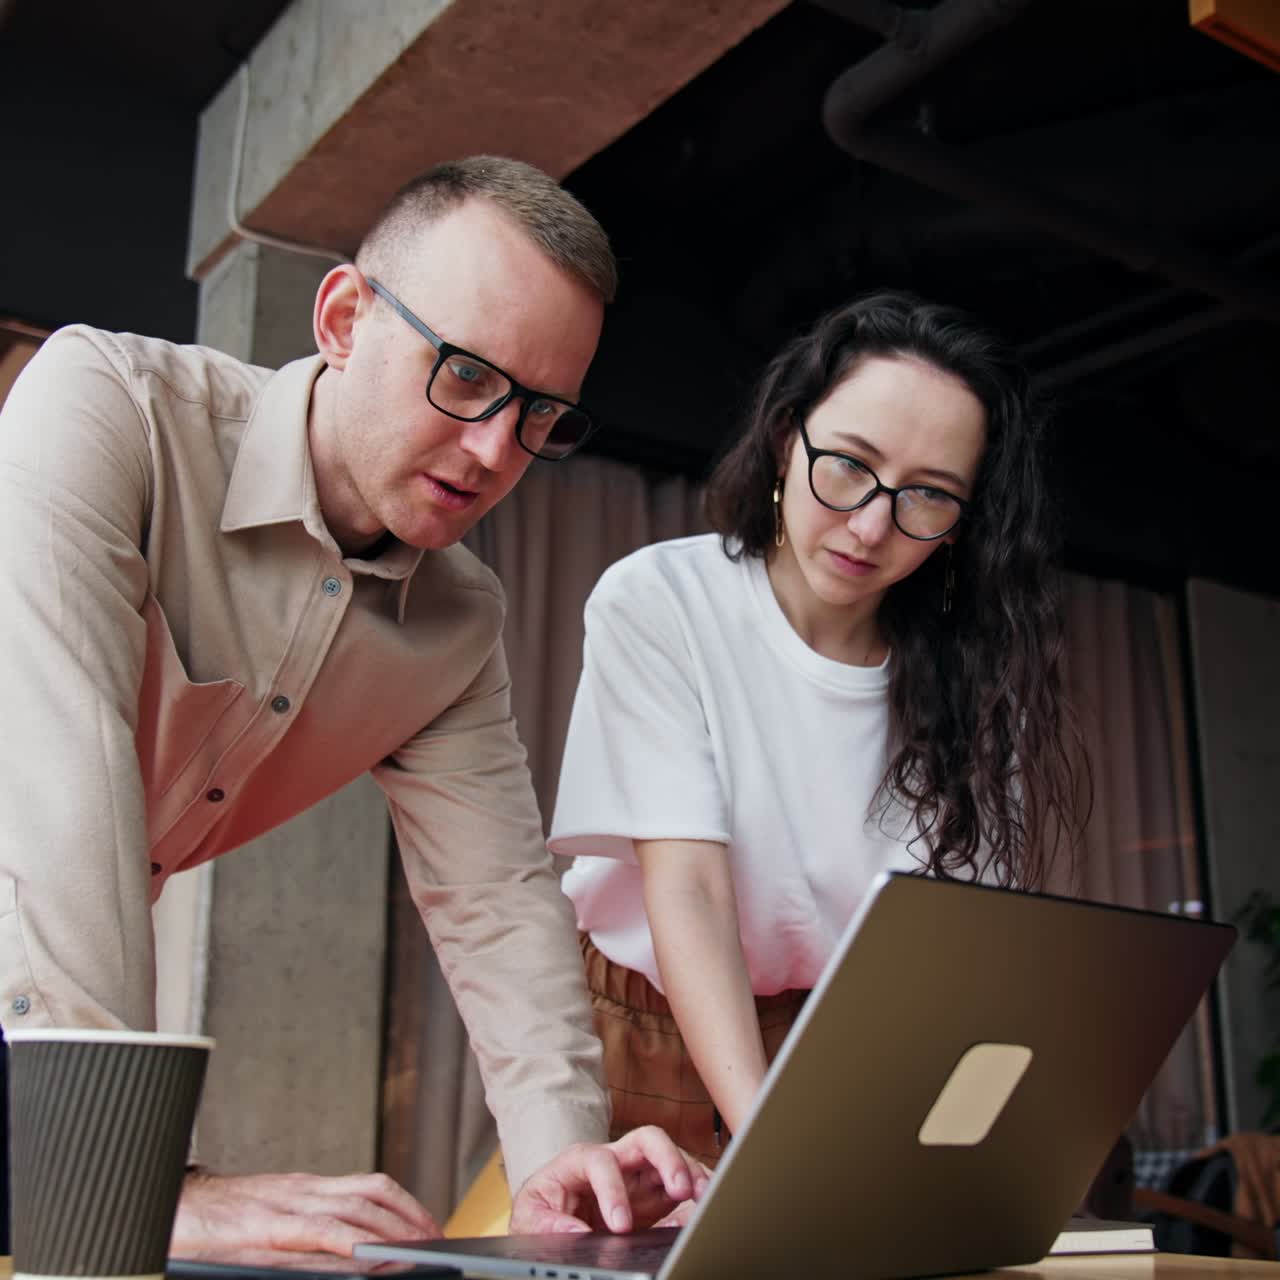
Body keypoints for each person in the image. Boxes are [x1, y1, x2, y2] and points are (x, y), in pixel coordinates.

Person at [0, 155, 708, 1258]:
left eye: (540, 415)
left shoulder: (457, 618)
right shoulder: (108, 410)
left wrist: (557, 1155)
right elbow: (54, 793)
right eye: (466, 376)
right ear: (341, 317)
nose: (492, 451)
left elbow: (496, 898)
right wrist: (141, 1182)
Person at [548, 290, 1087, 1164]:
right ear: (785, 437)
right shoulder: (662, 601)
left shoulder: (979, 691)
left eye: (929, 496)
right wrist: (770, 1147)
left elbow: (946, 944)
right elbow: (689, 889)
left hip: (834, 1037)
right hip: (638, 1022)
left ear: (961, 528)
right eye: (849, 465)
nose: (872, 525)